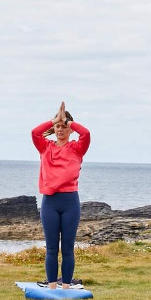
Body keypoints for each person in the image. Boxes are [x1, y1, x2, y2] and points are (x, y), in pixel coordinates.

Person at [31, 102, 90, 289]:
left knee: (67, 249)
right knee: (51, 248)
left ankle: (65, 286)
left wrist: (68, 121)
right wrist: (54, 120)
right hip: (50, 202)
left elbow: (86, 134)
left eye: (64, 127)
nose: (60, 129)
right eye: (58, 127)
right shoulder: (45, 147)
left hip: (70, 202)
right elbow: (35, 133)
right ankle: (51, 286)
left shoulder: (77, 148)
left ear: (71, 129)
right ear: (53, 128)